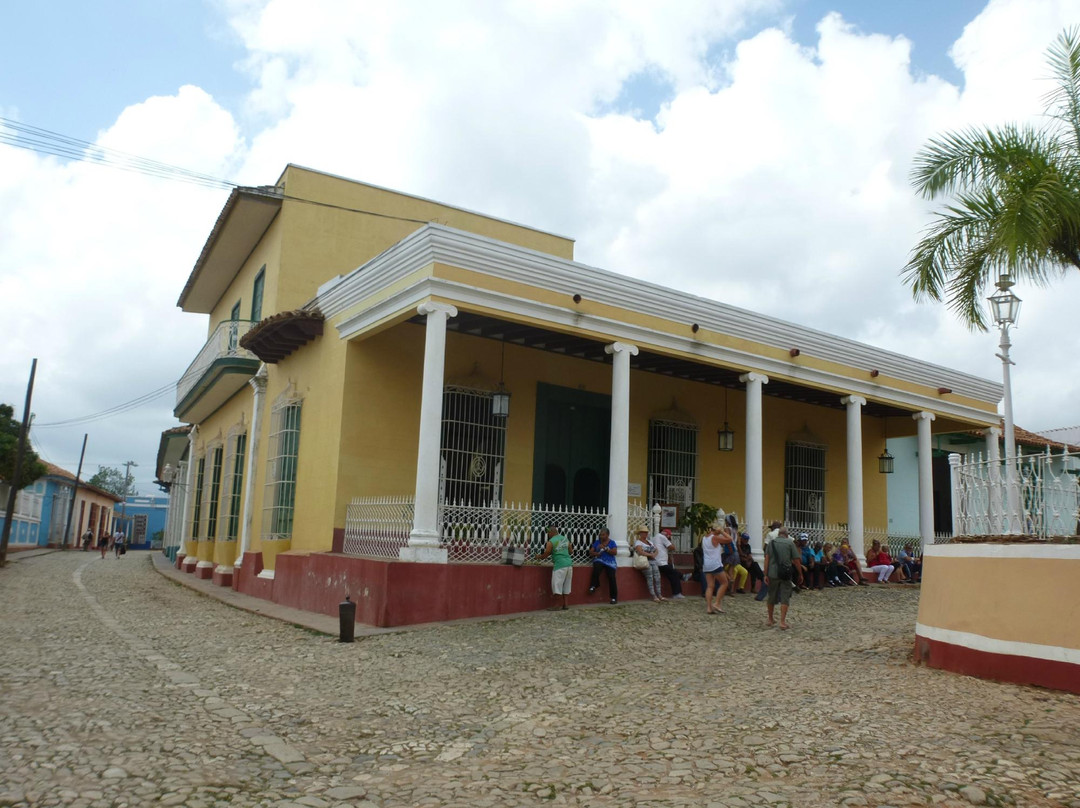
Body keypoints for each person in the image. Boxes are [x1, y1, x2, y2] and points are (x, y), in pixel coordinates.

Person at [764, 527, 802, 629]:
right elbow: (796, 559)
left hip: (772, 573)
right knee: (785, 597)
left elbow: (766, 559)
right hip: (785, 573)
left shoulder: (771, 543)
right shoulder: (790, 543)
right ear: (786, 534)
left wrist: (765, 574)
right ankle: (782, 622)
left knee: (771, 595)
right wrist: (800, 573)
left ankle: (770, 619)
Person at [535, 526, 573, 610]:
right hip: (569, 564)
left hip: (560, 565)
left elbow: (547, 553)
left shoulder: (551, 542)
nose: (548, 535)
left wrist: (539, 557)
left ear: (551, 532)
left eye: (548, 533)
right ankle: (566, 605)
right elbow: (571, 551)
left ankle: (557, 605)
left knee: (557, 585)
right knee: (567, 585)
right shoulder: (565, 539)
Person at [701, 520, 733, 614]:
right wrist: (722, 532)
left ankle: (709, 607)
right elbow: (730, 539)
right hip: (715, 564)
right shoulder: (714, 538)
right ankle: (717, 603)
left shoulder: (704, 538)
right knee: (724, 583)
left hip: (706, 564)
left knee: (710, 586)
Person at [633, 528, 665, 603]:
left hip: (653, 560)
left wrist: (654, 555)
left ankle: (659, 594)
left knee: (657, 577)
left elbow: (656, 550)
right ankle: (653, 595)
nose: (645, 534)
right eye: (644, 532)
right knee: (650, 577)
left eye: (646, 532)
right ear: (640, 533)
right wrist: (650, 554)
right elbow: (640, 552)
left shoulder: (650, 542)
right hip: (645, 561)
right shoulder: (638, 542)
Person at [588, 528, 619, 604]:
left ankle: (613, 598)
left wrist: (606, 549)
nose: (601, 536)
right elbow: (591, 552)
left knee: (611, 577)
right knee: (596, 568)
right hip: (600, 560)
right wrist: (597, 554)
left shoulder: (612, 542)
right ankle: (593, 585)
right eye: (600, 535)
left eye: (603, 535)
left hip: (610, 562)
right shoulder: (597, 542)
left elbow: (615, 552)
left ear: (607, 535)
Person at [653, 528, 684, 599]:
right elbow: (672, 547)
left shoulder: (655, 537)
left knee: (671, 573)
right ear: (668, 535)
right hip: (661, 563)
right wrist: (669, 540)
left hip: (657, 561)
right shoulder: (662, 537)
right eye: (669, 536)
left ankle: (682, 577)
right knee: (674, 573)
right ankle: (677, 592)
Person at [755, 521, 782, 601]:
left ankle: (760, 596)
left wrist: (765, 555)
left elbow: (766, 547)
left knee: (767, 577)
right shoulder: (784, 534)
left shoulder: (770, 534)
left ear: (773, 527)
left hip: (772, 559)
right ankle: (779, 597)